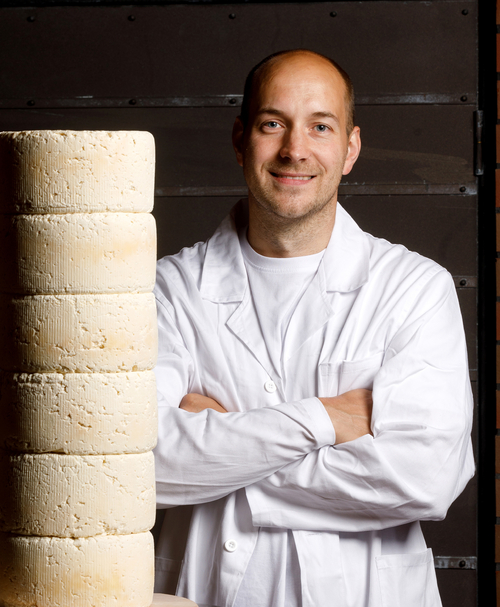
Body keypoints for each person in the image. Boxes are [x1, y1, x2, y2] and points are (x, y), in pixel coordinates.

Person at [153, 49, 474, 607]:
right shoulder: (169, 290)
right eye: (272, 123)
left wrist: (227, 457)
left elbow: (425, 476)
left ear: (349, 148)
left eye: (319, 126)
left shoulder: (414, 288)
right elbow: (142, 465)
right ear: (239, 140)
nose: (294, 150)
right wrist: (327, 417)